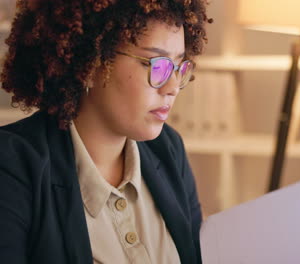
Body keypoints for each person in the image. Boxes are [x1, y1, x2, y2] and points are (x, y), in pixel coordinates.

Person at [0, 0, 212, 263]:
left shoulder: (168, 148)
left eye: (179, 66)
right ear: (89, 62)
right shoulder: (12, 167)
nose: (172, 87)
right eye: (155, 64)